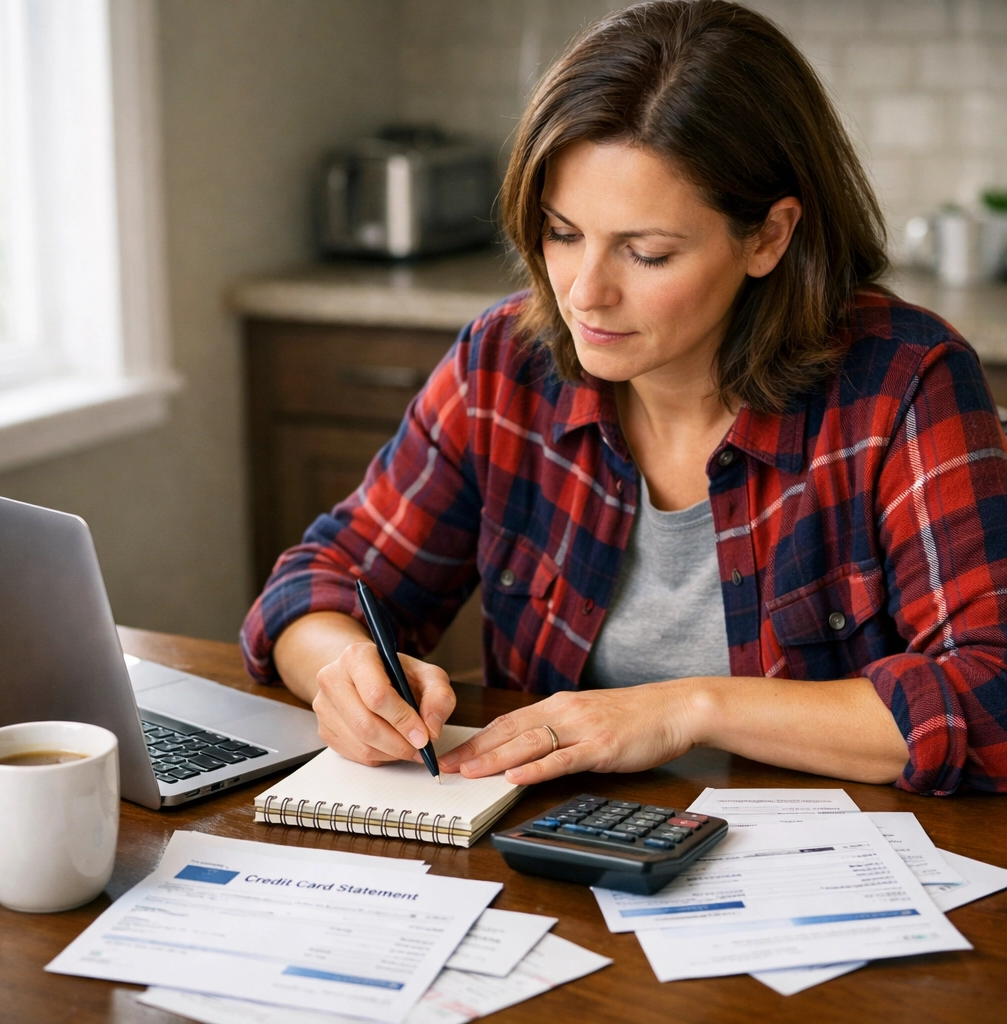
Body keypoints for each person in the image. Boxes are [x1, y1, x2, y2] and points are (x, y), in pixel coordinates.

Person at [241, 0, 1007, 797]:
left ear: (769, 237)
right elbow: (314, 584)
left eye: (646, 253)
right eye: (563, 233)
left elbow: (993, 695)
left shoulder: (902, 384)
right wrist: (343, 670)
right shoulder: (504, 364)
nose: (584, 295)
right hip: (554, 858)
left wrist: (687, 710)